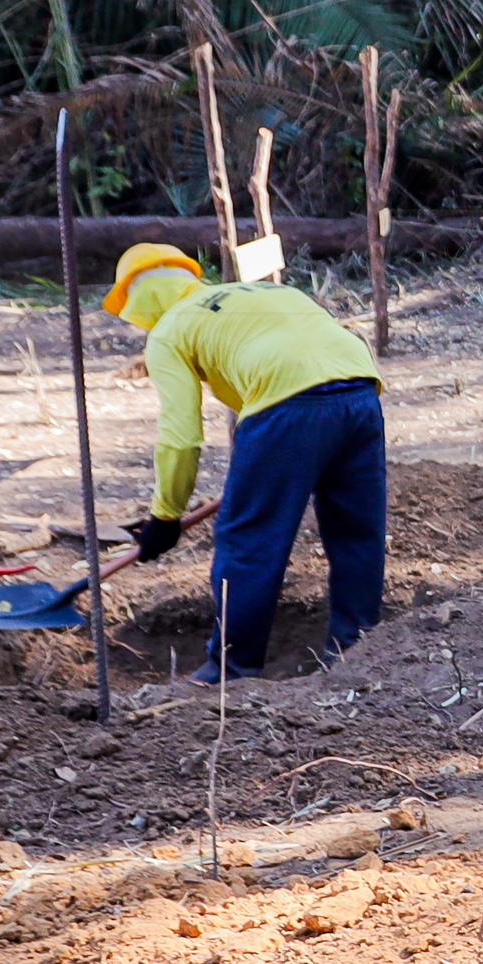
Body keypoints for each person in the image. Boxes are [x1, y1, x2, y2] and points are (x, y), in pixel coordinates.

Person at [102, 242, 387, 684]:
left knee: (248, 540)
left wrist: (165, 516)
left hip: (285, 406)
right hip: (360, 392)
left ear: (137, 302)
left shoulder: (169, 332)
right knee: (356, 530)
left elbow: (181, 437)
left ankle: (230, 670)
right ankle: (357, 645)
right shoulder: (264, 294)